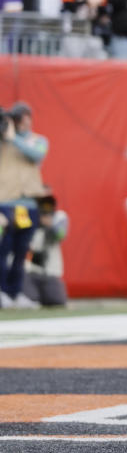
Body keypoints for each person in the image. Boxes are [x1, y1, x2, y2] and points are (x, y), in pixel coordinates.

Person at [0, 102, 48, 309]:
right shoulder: (3, 142)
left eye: (26, 117)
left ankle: (16, 292)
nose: (24, 122)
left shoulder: (38, 140)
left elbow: (36, 155)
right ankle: (3, 292)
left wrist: (14, 139)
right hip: (7, 203)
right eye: (19, 118)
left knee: (22, 251)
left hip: (28, 205)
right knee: (4, 249)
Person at [21, 192, 68, 307]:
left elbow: (60, 234)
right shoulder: (27, 218)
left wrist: (49, 226)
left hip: (50, 272)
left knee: (57, 301)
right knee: (30, 300)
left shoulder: (59, 217)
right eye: (42, 206)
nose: (46, 210)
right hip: (29, 272)